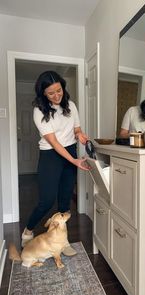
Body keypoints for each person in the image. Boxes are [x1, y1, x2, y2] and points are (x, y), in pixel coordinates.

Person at [21, 70, 90, 256]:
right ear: (43, 93)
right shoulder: (39, 110)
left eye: (59, 90)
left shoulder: (71, 106)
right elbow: (54, 142)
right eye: (51, 93)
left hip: (70, 151)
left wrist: (80, 135)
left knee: (65, 200)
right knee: (46, 200)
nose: (56, 95)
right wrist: (74, 160)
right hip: (50, 155)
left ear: (62, 87)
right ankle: (28, 231)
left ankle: (63, 242)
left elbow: (76, 129)